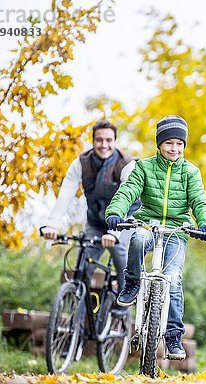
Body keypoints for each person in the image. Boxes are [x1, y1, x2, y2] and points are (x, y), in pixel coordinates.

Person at [102, 114, 206, 360]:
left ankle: (174, 337)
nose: (174, 148)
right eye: (168, 143)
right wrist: (115, 212)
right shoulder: (144, 167)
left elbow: (199, 200)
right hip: (149, 223)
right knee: (138, 240)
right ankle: (132, 282)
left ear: (183, 145)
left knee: (173, 280)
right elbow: (128, 191)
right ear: (159, 144)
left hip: (177, 230)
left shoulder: (190, 172)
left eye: (178, 143)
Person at [41, 120, 140, 316]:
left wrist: (114, 232)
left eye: (109, 140)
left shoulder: (126, 165)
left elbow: (127, 201)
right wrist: (51, 224)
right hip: (96, 222)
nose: (104, 145)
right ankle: (75, 324)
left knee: (117, 247)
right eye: (99, 140)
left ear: (115, 141)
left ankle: (125, 295)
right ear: (93, 141)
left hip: (125, 218)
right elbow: (66, 194)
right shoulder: (81, 163)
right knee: (83, 265)